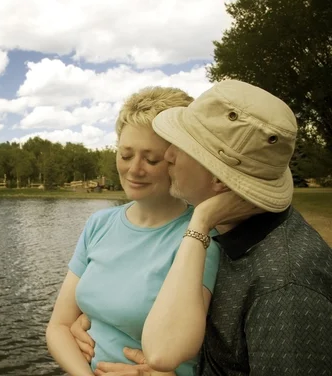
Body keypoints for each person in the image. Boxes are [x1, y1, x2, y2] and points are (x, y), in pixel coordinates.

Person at [71, 79, 332, 375]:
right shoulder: (232, 235)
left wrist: (200, 221)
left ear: (219, 180)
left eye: (182, 147)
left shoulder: (285, 284)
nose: (169, 155)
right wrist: (95, 320)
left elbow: (165, 352)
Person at [45, 87, 222, 376]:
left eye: (151, 160)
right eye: (126, 155)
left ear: (180, 159)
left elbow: (178, 346)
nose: (134, 170)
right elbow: (59, 326)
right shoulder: (98, 225)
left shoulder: (199, 237)